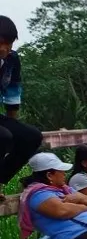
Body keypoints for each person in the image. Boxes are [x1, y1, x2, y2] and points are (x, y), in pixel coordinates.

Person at [0, 16, 42, 199]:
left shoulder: (12, 60)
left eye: (8, 43)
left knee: (31, 136)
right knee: (3, 136)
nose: (4, 48)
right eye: (1, 43)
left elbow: (12, 94)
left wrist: (13, 125)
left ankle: (0, 179)